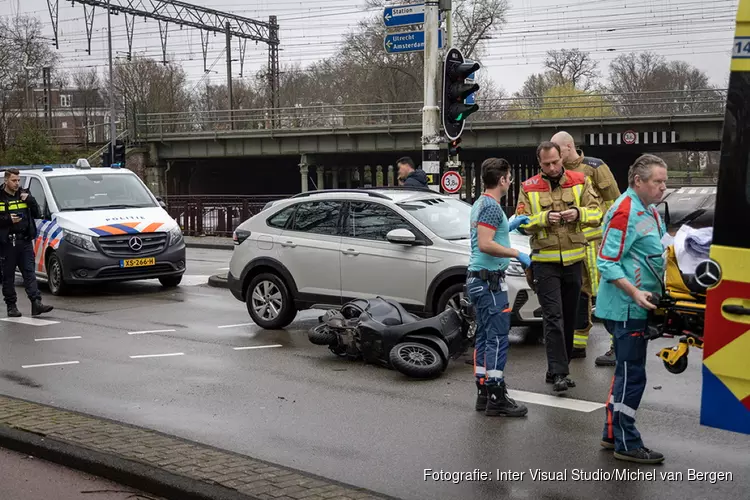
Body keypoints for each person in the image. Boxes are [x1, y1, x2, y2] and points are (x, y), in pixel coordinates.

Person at [597, 154, 668, 464]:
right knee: (632, 376)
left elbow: (660, 248)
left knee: (626, 374)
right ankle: (626, 443)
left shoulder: (650, 210)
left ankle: (612, 434)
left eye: (665, 181)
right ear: (638, 181)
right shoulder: (624, 211)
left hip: (640, 307)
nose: (663, 187)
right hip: (627, 308)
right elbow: (607, 263)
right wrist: (636, 292)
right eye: (658, 182)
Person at [515, 141, 602, 392]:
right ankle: (560, 373)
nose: (552, 167)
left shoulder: (580, 181)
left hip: (574, 260)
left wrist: (579, 214)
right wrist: (542, 219)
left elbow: (597, 214)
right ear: (539, 163)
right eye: (546, 164)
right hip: (545, 262)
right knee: (553, 316)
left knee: (568, 317)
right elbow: (520, 223)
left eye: (555, 161)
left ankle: (555, 369)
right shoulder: (528, 187)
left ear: (561, 158)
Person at [467, 158, 531, 417]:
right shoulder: (492, 208)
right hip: (490, 282)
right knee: (497, 338)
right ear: (503, 179)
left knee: (483, 337)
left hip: (478, 281)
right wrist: (517, 252)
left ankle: (483, 393)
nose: (510, 181)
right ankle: (496, 397)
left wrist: (510, 225)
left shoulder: (481, 203)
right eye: (509, 177)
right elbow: (485, 243)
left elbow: (488, 233)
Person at [551, 132, 621, 364]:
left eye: (558, 152)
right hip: (575, 247)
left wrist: (615, 239)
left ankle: (618, 346)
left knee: (606, 295)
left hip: (598, 245)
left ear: (569, 147)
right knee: (579, 296)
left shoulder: (595, 167)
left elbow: (614, 204)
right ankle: (578, 345)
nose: (554, 158)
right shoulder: (558, 173)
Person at [0, 168, 53, 317]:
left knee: (30, 273)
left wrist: (31, 200)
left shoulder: (24, 194)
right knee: (8, 276)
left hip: (24, 241)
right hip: (7, 243)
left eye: (18, 180)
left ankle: (36, 303)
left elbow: (38, 213)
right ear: (6, 180)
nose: (17, 183)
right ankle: (11, 306)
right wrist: (8, 220)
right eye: (14, 180)